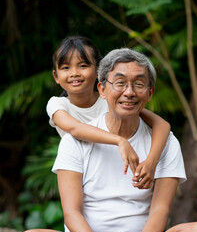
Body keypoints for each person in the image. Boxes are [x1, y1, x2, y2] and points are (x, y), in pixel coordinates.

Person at [19, 48, 197, 232]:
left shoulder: (165, 142)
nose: (129, 92)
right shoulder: (74, 141)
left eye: (139, 84)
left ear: (150, 92)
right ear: (102, 89)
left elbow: (160, 210)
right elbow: (72, 213)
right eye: (120, 83)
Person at [46, 36, 170, 188]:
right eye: (66, 68)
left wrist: (151, 162)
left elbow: (162, 125)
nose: (74, 73)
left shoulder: (112, 99)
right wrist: (119, 140)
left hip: (122, 166)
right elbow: (75, 128)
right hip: (83, 173)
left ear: (99, 70)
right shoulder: (57, 104)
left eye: (83, 65)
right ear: (56, 76)